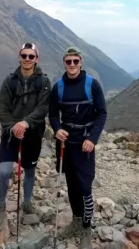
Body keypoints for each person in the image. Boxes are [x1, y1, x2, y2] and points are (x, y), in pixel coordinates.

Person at [49, 47, 107, 248]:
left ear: (81, 62)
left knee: (85, 187)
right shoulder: (59, 87)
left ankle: (86, 226)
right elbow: (53, 114)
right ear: (64, 63)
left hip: (85, 145)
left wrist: (92, 139)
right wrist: (56, 129)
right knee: (72, 187)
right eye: (68, 61)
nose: (72, 65)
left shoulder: (92, 85)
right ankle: (75, 220)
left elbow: (101, 113)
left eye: (75, 61)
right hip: (66, 144)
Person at [0, 42, 51, 231]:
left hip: (33, 133)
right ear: (19, 57)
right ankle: (0, 207)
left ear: (36, 59)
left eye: (31, 56)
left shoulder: (44, 82)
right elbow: (3, 107)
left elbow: (43, 108)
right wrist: (12, 127)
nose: (27, 59)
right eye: (24, 56)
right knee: (4, 171)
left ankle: (26, 203)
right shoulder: (10, 81)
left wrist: (25, 123)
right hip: (10, 133)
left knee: (30, 170)